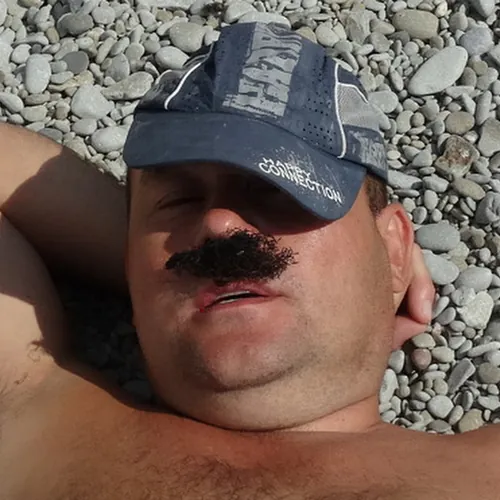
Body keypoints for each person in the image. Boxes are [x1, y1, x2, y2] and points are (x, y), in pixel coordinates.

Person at [0, 22, 497, 499]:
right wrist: (166, 269)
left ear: (394, 248)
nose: (218, 224)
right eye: (179, 201)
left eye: (276, 192)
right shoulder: (33, 419)